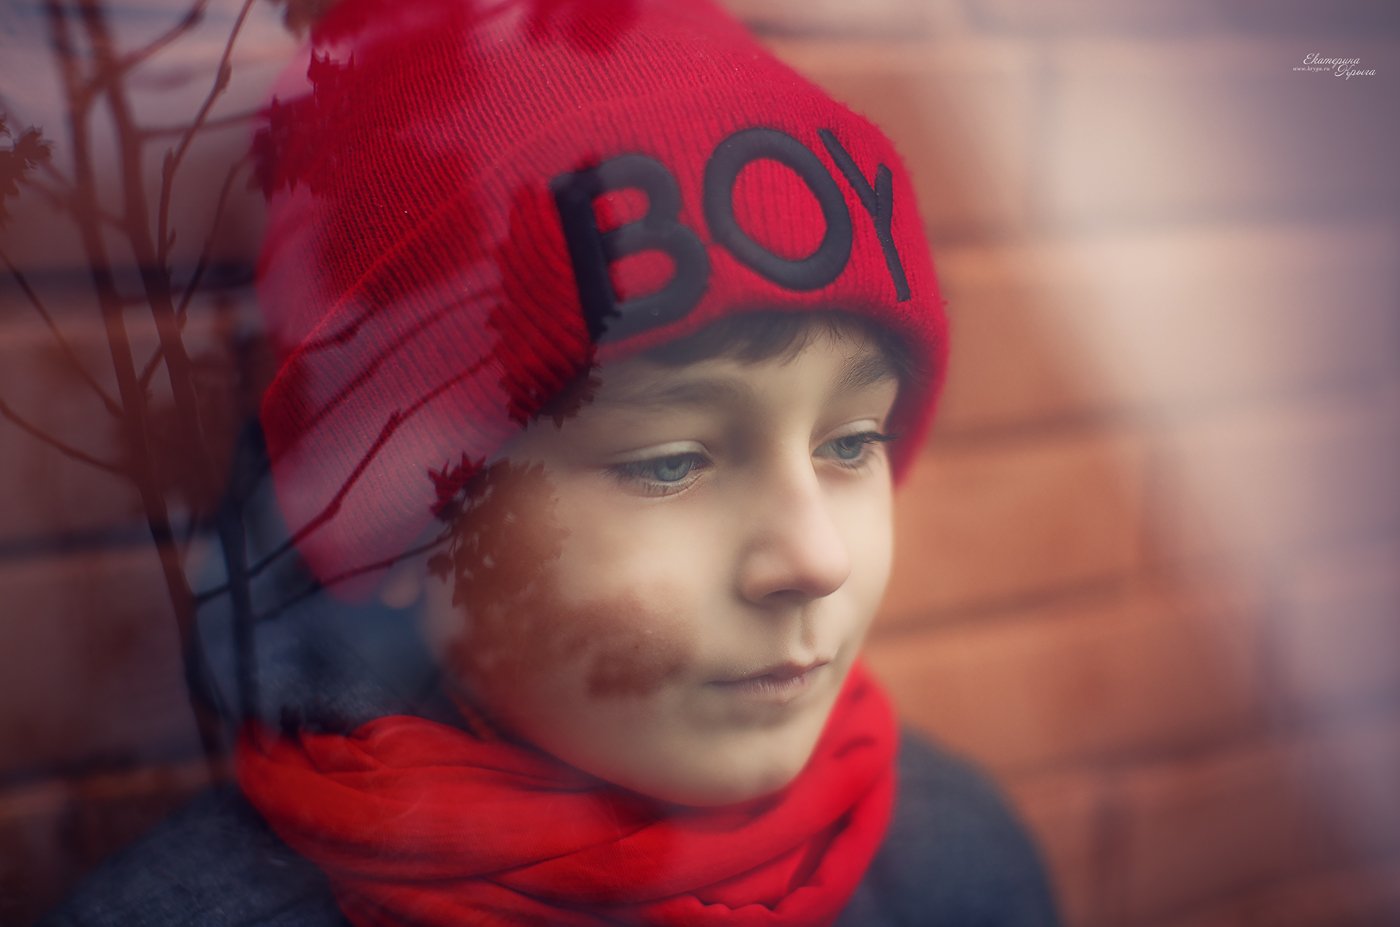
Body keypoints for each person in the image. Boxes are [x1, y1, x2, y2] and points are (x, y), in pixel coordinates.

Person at [43, 0, 1061, 923]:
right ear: (401, 529)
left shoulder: (953, 862)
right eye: (671, 462)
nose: (815, 558)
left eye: (850, 442)